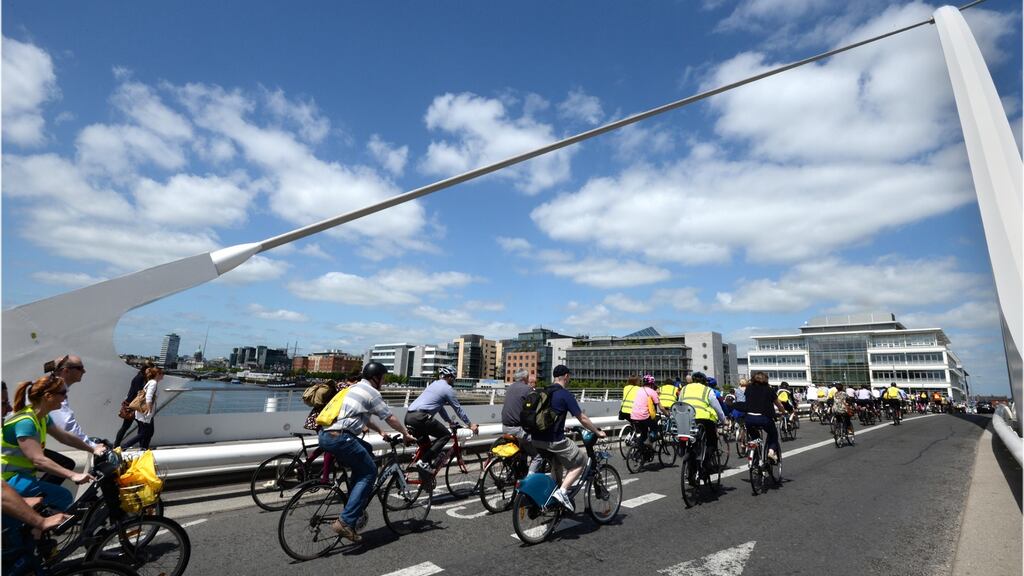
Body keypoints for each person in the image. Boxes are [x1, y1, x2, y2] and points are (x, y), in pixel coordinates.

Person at [318, 362, 415, 542]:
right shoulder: (372, 392)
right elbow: (390, 417)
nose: (384, 382)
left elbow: (363, 418)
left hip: (326, 435)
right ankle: (345, 522)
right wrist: (405, 433)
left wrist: (380, 431)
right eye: (383, 378)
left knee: (367, 450)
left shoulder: (353, 388)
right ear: (375, 377)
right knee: (369, 473)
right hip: (341, 438)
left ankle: (354, 497)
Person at [2, 376, 103, 522]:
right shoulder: (26, 422)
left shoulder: (41, 417)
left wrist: (92, 448)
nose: (65, 397)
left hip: (21, 476)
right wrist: (73, 475)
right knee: (63, 496)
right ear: (48, 396)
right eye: (62, 393)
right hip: (9, 479)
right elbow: (38, 460)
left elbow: (65, 437)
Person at [531, 365, 606, 512]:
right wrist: (597, 432)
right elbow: (582, 418)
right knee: (581, 461)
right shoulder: (565, 394)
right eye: (569, 376)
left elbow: (548, 416)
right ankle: (562, 492)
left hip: (536, 439)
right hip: (554, 440)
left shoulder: (544, 391)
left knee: (557, 464)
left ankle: (552, 500)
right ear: (566, 376)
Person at [404, 366, 479, 472]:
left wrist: (449, 421)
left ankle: (424, 480)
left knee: (426, 447)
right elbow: (458, 409)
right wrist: (470, 424)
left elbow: (439, 408)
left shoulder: (434, 384)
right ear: (449, 377)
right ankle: (423, 462)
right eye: (453, 377)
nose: (454, 380)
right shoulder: (448, 389)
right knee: (445, 435)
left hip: (409, 416)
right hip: (420, 418)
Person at [40, 356, 96, 484]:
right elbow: (66, 425)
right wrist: (93, 446)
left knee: (64, 463)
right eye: (80, 368)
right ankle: (35, 502)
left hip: (26, 444)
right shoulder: (53, 390)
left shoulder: (51, 385)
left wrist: (90, 444)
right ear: (66, 371)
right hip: (18, 448)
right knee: (65, 464)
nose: (84, 371)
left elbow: (61, 432)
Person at [735, 371, 786, 462]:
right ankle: (771, 451)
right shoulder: (769, 389)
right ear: (765, 379)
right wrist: (783, 412)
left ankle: (755, 454)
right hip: (764, 418)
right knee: (773, 434)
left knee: (755, 437)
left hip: (749, 418)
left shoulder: (749, 388)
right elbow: (779, 405)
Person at [678, 372, 727, 459]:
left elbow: (680, 403)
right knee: (712, 441)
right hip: (704, 419)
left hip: (687, 418)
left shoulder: (684, 389)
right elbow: (717, 408)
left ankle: (684, 447)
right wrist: (724, 420)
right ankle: (706, 463)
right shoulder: (707, 390)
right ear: (705, 382)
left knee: (688, 437)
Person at [500, 369, 539, 461]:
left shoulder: (509, 388)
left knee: (523, 449)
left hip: (505, 427)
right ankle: (531, 475)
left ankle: (521, 469)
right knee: (538, 455)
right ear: (525, 378)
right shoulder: (527, 389)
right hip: (517, 429)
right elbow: (535, 406)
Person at [120, 367, 162, 450]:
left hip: (142, 412)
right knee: (145, 433)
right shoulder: (153, 383)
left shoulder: (150, 382)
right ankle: (125, 446)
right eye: (162, 374)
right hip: (146, 412)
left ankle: (143, 448)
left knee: (148, 432)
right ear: (157, 374)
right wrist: (149, 410)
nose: (163, 376)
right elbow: (149, 396)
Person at [115, 360, 154, 447]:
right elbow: (137, 393)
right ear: (145, 369)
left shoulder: (141, 377)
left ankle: (117, 446)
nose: (151, 371)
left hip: (133, 405)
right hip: (133, 406)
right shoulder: (139, 378)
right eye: (150, 369)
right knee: (138, 428)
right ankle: (120, 446)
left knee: (129, 427)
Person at [629, 375, 661, 447]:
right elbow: (661, 407)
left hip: (633, 416)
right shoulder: (652, 392)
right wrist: (667, 414)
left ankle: (640, 451)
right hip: (644, 417)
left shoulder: (638, 390)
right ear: (652, 384)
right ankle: (650, 441)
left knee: (644, 433)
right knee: (655, 428)